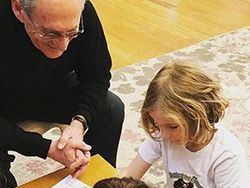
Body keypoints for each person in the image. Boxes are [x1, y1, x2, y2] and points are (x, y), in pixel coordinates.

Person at [0, 0, 124, 187]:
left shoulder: (81, 10)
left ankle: (100, 182)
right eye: (51, 33)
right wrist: (45, 148)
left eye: (72, 33)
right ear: (18, 9)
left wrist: (79, 123)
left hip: (49, 88)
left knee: (110, 108)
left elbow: (97, 77)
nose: (63, 46)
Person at [121, 61, 249, 187]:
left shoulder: (227, 155)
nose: (164, 135)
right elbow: (129, 175)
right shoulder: (162, 132)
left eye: (172, 127)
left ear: (198, 117)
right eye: (157, 124)